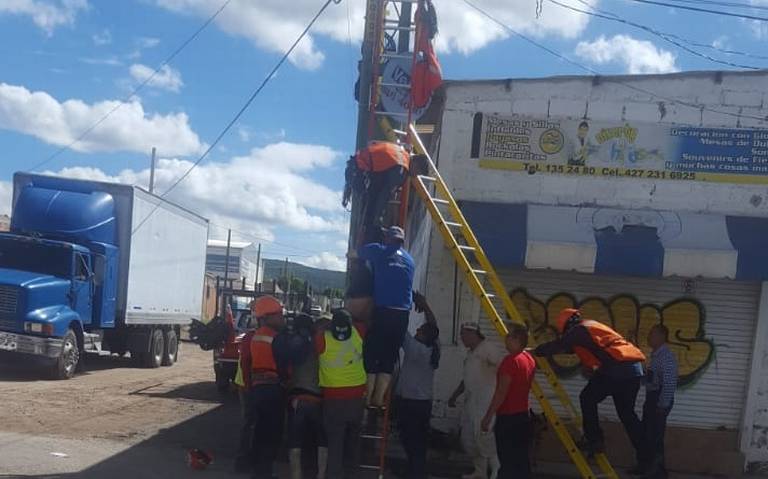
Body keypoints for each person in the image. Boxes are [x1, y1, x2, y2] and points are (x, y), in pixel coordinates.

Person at [534, 308, 646, 459]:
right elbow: (571, 349)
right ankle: (648, 457)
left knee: (587, 398)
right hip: (633, 371)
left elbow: (560, 345)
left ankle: (594, 440)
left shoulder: (579, 330)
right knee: (627, 415)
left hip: (616, 369)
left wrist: (535, 351)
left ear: (568, 326)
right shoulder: (591, 327)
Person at [354, 225, 415, 408]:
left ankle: (367, 398)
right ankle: (379, 399)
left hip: (384, 311)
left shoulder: (379, 251)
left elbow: (355, 254)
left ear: (387, 239)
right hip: (402, 315)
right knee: (389, 358)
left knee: (372, 354)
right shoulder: (410, 260)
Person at [448, 322, 506, 479]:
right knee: (470, 437)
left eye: (463, 334)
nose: (461, 338)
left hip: (485, 400)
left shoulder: (489, 349)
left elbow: (503, 371)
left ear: (472, 334)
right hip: (471, 400)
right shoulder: (470, 354)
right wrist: (455, 395)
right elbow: (466, 378)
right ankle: (479, 472)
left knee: (484, 435)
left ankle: (496, 470)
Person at [275, 313, 328, 479]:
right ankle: (321, 474)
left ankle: (296, 475)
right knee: (322, 439)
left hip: (297, 400)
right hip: (317, 399)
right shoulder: (321, 346)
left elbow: (287, 372)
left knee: (295, 440)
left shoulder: (294, 346)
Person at [238, 295, 286, 479]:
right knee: (271, 433)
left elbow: (246, 364)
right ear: (266, 317)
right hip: (272, 390)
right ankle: (263, 472)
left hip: (257, 390)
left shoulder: (253, 336)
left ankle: (255, 469)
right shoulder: (276, 338)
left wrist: (249, 388)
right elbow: (287, 365)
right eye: (279, 314)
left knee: (258, 431)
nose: (282, 318)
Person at [316, 309, 368, 479]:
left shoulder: (321, 339)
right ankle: (352, 474)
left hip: (333, 400)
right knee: (354, 441)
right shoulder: (359, 331)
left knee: (335, 444)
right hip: (357, 398)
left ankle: (334, 475)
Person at [480, 324, 537, 479]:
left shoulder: (510, 361)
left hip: (509, 416)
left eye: (508, 336)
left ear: (516, 339)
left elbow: (501, 392)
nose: (505, 339)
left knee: (507, 461)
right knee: (521, 461)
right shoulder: (529, 359)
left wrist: (488, 416)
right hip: (524, 415)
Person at [396, 291, 441, 479]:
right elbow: (434, 326)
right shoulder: (434, 349)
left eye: (420, 331)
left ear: (424, 336)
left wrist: (404, 303)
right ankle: (416, 471)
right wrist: (425, 305)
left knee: (409, 440)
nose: (416, 332)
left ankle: (415, 473)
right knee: (418, 442)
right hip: (423, 403)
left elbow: (400, 329)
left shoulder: (416, 349)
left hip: (411, 404)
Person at [635, 324, 678, 479]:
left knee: (655, 436)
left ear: (661, 337)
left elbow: (670, 383)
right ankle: (645, 467)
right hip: (652, 398)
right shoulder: (656, 356)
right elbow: (653, 380)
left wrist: (662, 404)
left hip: (659, 400)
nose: (649, 337)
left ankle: (657, 471)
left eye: (652, 334)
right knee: (647, 434)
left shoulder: (666, 357)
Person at [355, 141, 410, 244]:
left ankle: (367, 235)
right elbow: (385, 194)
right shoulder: (402, 170)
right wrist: (378, 218)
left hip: (366, 161)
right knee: (371, 208)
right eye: (417, 173)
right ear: (416, 165)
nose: (414, 177)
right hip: (364, 165)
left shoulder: (402, 153)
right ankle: (369, 237)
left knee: (369, 203)